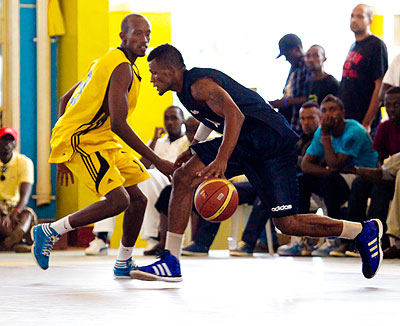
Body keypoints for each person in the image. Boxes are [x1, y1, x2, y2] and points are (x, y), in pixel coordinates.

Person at [130, 44, 383, 282]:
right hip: (246, 143)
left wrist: (221, 159)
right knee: (183, 178)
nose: (152, 79)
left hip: (270, 143)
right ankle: (171, 261)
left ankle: (361, 231)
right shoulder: (185, 91)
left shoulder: (199, 85)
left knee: (287, 222)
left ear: (171, 71)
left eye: (154, 73)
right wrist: (195, 147)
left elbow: (234, 116)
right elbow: (212, 117)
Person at [30, 14, 175, 278]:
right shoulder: (120, 67)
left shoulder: (111, 62)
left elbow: (65, 99)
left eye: (148, 34)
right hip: (82, 139)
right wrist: (159, 160)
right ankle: (49, 230)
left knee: (139, 200)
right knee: (119, 200)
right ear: (123, 36)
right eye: (138, 34)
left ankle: (123, 262)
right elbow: (119, 124)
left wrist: (60, 145)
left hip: (100, 138)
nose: (144, 40)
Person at [300, 95, 378, 256]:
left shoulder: (354, 130)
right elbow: (306, 165)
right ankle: (303, 239)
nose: (328, 115)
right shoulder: (321, 132)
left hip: (362, 177)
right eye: (325, 111)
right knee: (302, 180)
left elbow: (336, 164)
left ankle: (334, 238)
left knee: (330, 180)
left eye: (333, 110)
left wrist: (326, 135)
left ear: (343, 113)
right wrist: (331, 170)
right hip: (339, 177)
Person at [139, 105, 189, 255]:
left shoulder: (188, 140)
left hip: (172, 183)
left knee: (150, 175)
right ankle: (101, 237)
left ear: (182, 121)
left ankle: (153, 237)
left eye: (174, 118)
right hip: (151, 182)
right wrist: (154, 139)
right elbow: (140, 167)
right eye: (166, 119)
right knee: (117, 184)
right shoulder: (158, 142)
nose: (169, 122)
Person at [339, 4, 388, 135]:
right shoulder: (353, 46)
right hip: (348, 119)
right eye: (352, 16)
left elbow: (380, 85)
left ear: (370, 21)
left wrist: (367, 122)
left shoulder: (376, 45)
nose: (354, 19)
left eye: (360, 16)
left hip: (364, 122)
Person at [0, 127, 36, 253]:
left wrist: (16, 211)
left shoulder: (24, 162)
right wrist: (3, 213)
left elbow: (25, 194)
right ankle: (17, 241)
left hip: (14, 206)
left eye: (11, 141)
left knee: (27, 214)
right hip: (0, 207)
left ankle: (12, 239)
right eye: (3, 140)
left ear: (15, 144)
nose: (7, 144)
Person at [269, 34, 312, 134]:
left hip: (300, 126)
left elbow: (309, 97)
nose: (286, 59)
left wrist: (285, 103)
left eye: (287, 55)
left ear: (297, 49)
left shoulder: (307, 66)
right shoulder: (294, 67)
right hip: (291, 122)